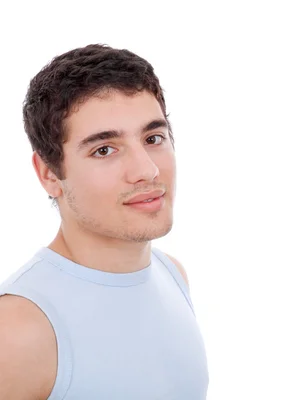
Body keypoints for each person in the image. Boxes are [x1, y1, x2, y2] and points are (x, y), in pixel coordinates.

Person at [0, 44, 208, 399]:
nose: (147, 170)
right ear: (49, 173)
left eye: (153, 138)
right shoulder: (20, 329)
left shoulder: (172, 274)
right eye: (104, 149)